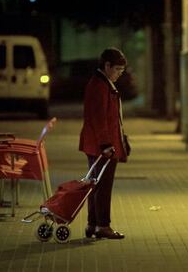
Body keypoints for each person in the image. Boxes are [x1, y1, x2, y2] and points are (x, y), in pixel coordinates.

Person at [79, 47, 130, 239]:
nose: (119, 74)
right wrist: (106, 144)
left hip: (98, 144)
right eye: (117, 69)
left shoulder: (101, 83)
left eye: (121, 71)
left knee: (95, 184)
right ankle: (102, 225)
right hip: (102, 146)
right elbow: (100, 118)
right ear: (107, 65)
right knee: (103, 186)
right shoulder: (100, 86)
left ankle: (93, 224)